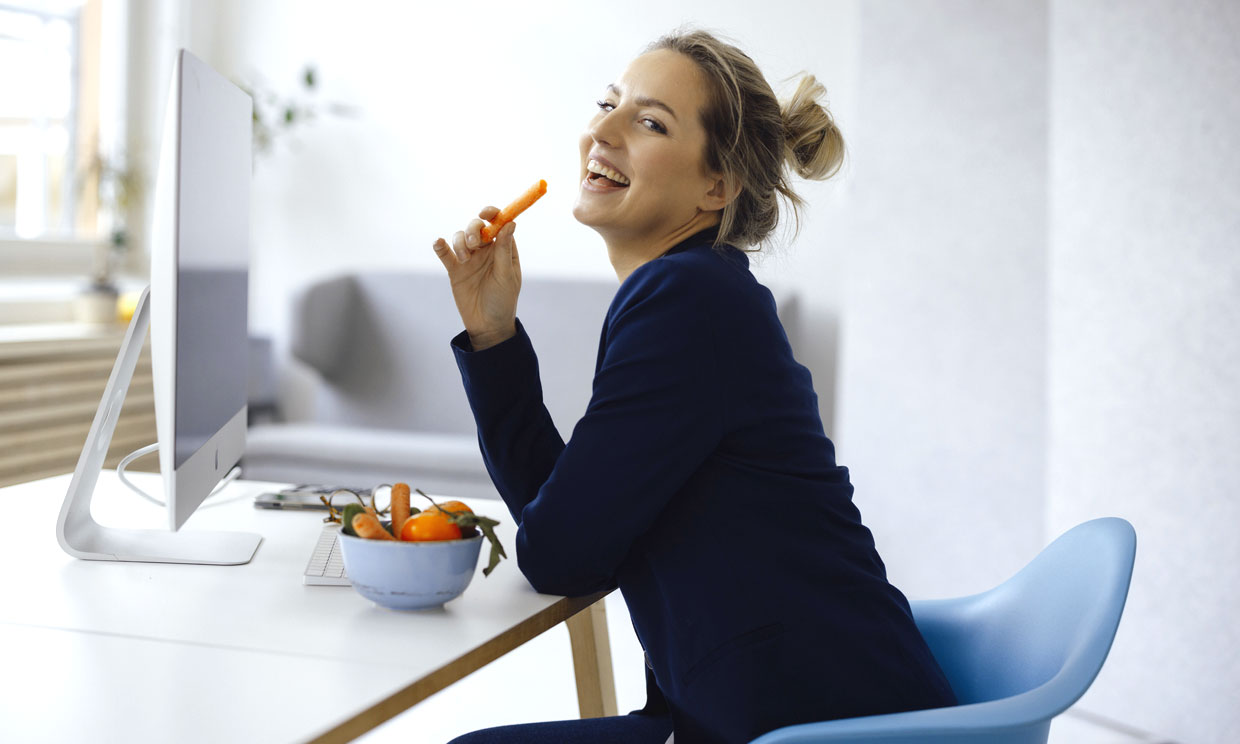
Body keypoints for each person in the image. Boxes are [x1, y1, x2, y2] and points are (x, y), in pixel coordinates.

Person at [432, 29, 956, 744]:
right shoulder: (696, 294)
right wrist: (493, 335)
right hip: (759, 716)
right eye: (608, 103)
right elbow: (569, 530)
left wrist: (499, 361)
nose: (602, 129)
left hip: (820, 729)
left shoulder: (687, 302)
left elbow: (558, 551)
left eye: (648, 122)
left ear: (719, 186)